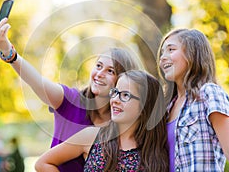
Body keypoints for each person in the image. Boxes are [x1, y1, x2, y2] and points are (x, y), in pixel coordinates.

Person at [0, 18, 139, 171]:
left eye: (110, 71)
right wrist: (9, 53)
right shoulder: (70, 100)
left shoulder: (122, 121)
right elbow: (36, 82)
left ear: (123, 79)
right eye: (98, 66)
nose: (99, 73)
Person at [34, 70, 169, 172]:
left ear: (145, 106)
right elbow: (43, 163)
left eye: (125, 95)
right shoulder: (92, 136)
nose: (115, 99)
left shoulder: (156, 156)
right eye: (115, 92)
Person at [157, 28, 229, 171]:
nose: (162, 57)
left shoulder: (208, 94)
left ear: (192, 54)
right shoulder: (167, 108)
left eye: (171, 49)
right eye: (162, 52)